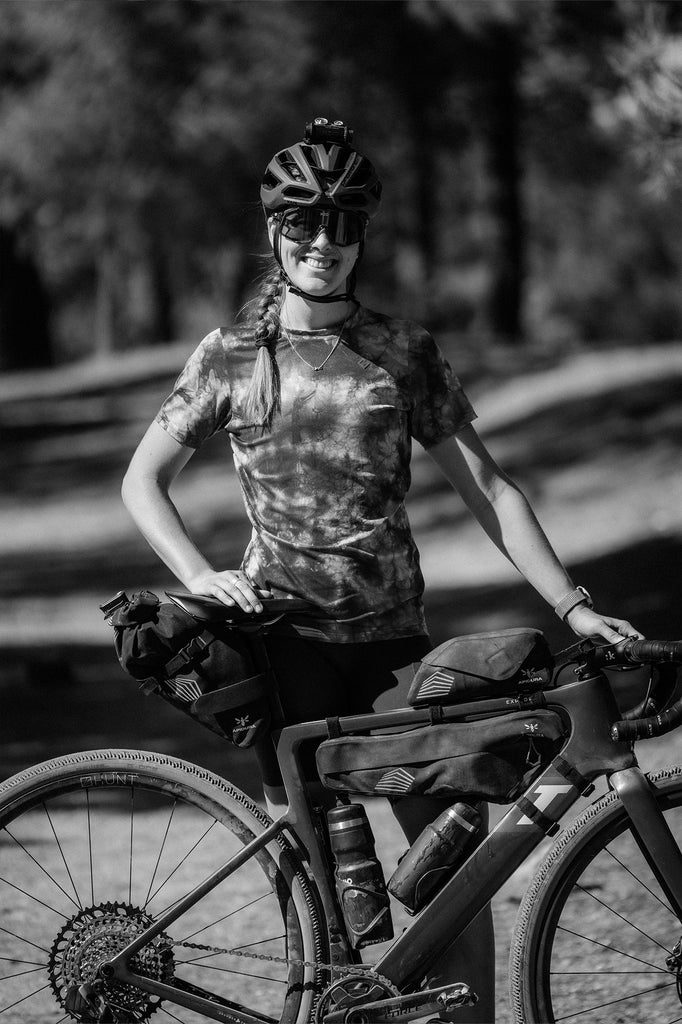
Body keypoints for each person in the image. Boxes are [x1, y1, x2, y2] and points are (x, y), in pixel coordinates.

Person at [121, 117, 641, 1023]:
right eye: (303, 225)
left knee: (458, 855)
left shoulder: (403, 350)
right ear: (273, 233)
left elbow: (489, 489)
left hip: (393, 646)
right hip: (282, 652)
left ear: (364, 233)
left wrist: (576, 606)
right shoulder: (231, 356)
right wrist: (200, 577)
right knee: (330, 900)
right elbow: (143, 481)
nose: (324, 243)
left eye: (344, 224)